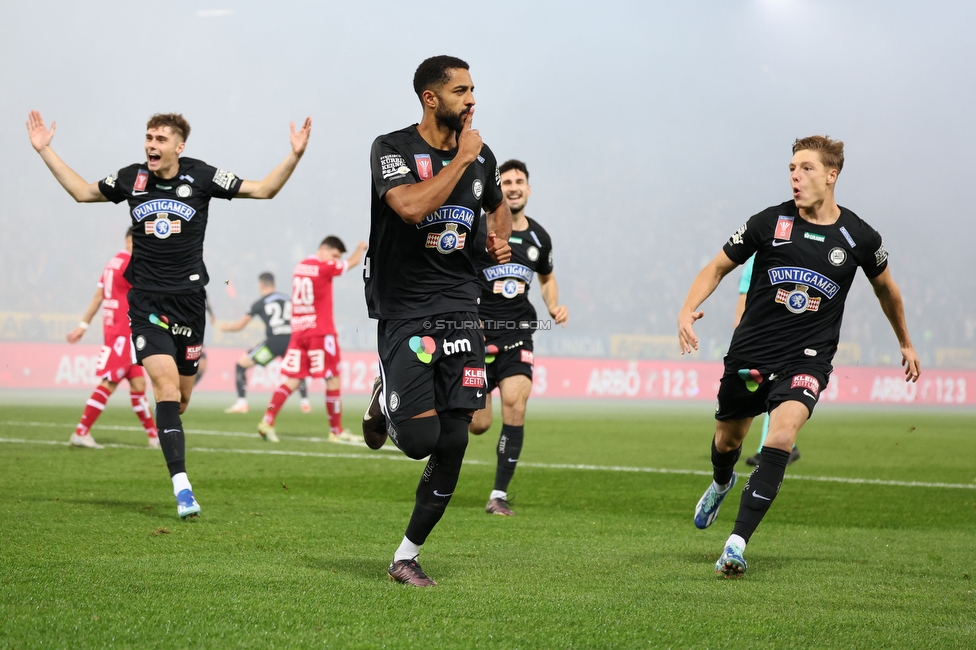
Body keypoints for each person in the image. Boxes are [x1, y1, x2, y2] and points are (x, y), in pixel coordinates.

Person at [28, 110, 312, 519]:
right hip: (146, 303)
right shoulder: (132, 178)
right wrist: (45, 150)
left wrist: (295, 155)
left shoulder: (202, 176)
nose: (151, 145)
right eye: (148, 137)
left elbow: (265, 189)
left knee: (179, 399)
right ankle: (182, 488)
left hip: (190, 304)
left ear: (179, 147)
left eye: (160, 139)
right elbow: (82, 192)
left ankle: (169, 437)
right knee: (162, 387)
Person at [678, 135, 920, 578]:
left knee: (782, 436)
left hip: (807, 359)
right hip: (751, 353)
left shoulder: (859, 236)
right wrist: (686, 310)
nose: (795, 175)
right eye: (792, 167)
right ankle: (720, 482)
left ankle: (735, 544)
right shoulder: (768, 223)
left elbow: (887, 289)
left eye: (806, 168)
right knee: (727, 442)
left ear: (832, 175)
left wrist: (904, 341)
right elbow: (716, 267)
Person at [361, 55, 512, 586]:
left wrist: (499, 238)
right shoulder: (393, 149)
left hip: (461, 306)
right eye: (461, 91)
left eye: (474, 90)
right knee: (423, 440)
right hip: (405, 307)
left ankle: (405, 556)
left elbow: (497, 204)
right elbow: (409, 208)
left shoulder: (482, 157)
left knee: (458, 439)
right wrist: (462, 159)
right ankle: (384, 395)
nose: (472, 100)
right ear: (431, 98)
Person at [468, 159, 568, 516]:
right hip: (476, 338)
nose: (512, 187)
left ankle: (498, 494)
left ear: (528, 188)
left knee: (516, 404)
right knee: (478, 424)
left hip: (517, 336)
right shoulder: (478, 231)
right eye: (506, 181)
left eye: (518, 181)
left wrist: (554, 305)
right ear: (499, 189)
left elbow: (547, 277)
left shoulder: (539, 237)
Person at [258, 237, 366, 443]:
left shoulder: (300, 267)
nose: (334, 260)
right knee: (333, 377)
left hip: (299, 331)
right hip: (320, 331)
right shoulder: (323, 267)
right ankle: (336, 431)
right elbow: (350, 264)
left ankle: (266, 421)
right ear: (323, 249)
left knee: (292, 380)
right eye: (334, 255)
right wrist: (360, 249)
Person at [65, 227, 159, 449]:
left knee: (138, 383)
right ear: (131, 241)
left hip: (119, 331)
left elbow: (99, 295)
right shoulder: (130, 264)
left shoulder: (112, 263)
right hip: (122, 333)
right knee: (109, 381)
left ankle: (154, 437)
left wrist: (83, 325)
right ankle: (81, 431)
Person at [734, 255, 800, 468]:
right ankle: (786, 444)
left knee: (772, 393)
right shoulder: (795, 253)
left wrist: (741, 337)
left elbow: (742, 306)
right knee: (778, 393)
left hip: (768, 340)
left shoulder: (755, 260)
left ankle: (767, 448)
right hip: (786, 335)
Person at [221, 272, 311, 414]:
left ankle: (242, 403)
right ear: (274, 284)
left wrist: (227, 328)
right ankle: (305, 403)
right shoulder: (288, 299)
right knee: (297, 371)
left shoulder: (260, 303)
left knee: (241, 364)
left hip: (273, 344)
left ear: (261, 284)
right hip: (292, 341)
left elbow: (240, 325)